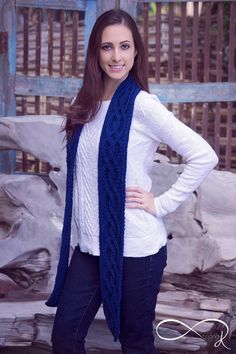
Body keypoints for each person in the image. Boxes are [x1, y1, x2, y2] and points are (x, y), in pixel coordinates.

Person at [45, 8, 219, 354]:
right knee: (65, 338)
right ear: (95, 51)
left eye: (124, 46)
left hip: (137, 248)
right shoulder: (87, 104)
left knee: (135, 343)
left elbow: (204, 155)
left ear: (136, 51)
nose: (116, 56)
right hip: (91, 247)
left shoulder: (142, 105)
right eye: (107, 47)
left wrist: (161, 204)